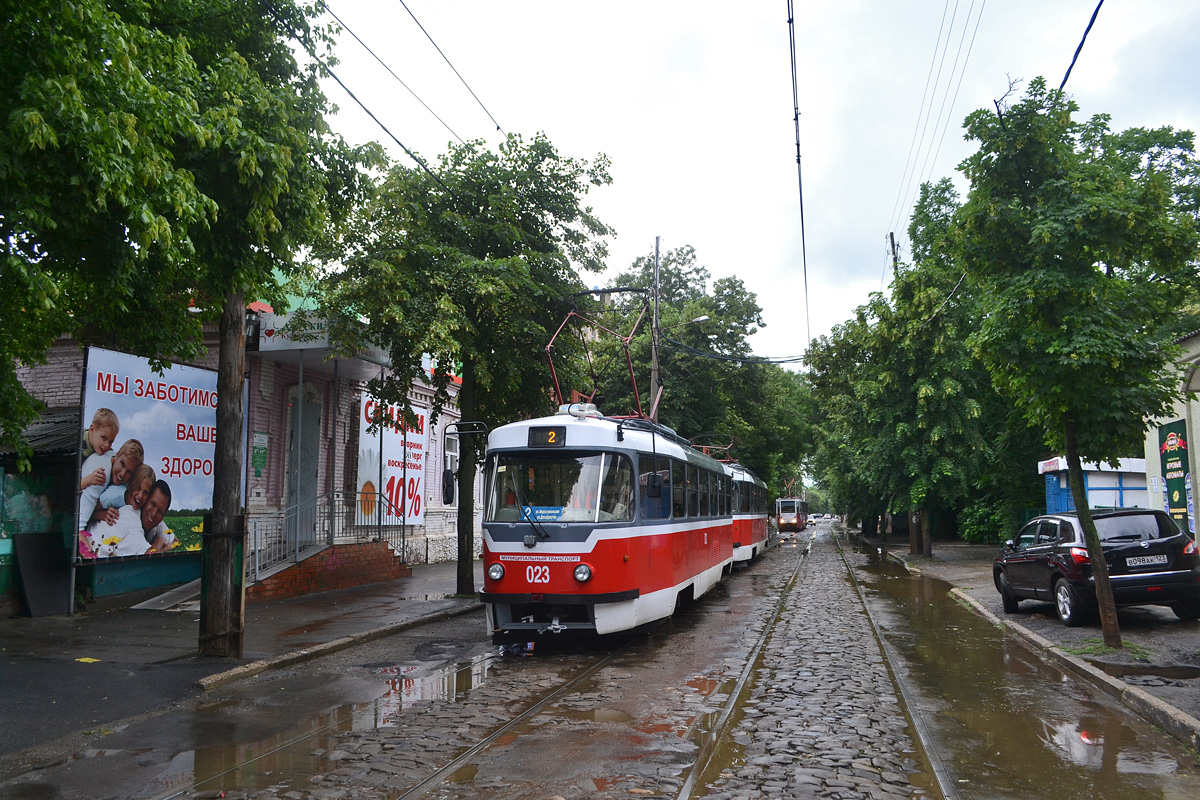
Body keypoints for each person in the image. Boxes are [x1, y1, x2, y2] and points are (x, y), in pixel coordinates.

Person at [85, 479, 173, 558]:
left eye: (160, 511)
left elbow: (175, 540)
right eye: (152, 504)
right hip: (85, 552)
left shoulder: (155, 520)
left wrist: (160, 538)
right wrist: (158, 543)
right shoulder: (131, 520)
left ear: (162, 517)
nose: (154, 514)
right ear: (145, 501)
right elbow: (149, 559)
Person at [78, 438, 144, 529]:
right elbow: (79, 523)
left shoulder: (124, 482)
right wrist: (99, 514)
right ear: (116, 455)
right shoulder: (101, 474)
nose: (122, 474)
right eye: (122, 464)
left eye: (129, 472)